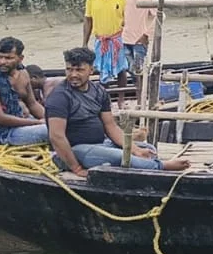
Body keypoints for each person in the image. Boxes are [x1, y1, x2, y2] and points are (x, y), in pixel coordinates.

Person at [45, 47, 190, 176]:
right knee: (120, 157)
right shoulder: (60, 97)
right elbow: (56, 137)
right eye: (69, 69)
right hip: (74, 151)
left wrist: (135, 149)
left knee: (147, 148)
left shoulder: (98, 91)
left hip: (99, 144)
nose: (73, 74)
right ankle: (162, 167)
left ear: (91, 69)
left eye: (79, 70)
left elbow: (111, 126)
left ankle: (146, 165)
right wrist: (76, 168)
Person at [0, 37, 47, 146]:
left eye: (8, 58)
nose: (2, 62)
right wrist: (37, 122)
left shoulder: (23, 74)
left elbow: (32, 104)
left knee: (64, 125)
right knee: (51, 131)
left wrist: (50, 118)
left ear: (20, 58)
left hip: (23, 122)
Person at [82, 0, 129, 85]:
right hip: (100, 40)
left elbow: (128, 21)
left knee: (121, 69)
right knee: (100, 68)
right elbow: (88, 21)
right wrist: (84, 43)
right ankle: (104, 97)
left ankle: (121, 99)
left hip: (118, 39)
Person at [119, 0, 155, 85]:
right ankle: (140, 95)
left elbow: (159, 16)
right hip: (126, 37)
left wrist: (146, 34)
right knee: (130, 70)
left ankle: (142, 98)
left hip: (139, 40)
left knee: (139, 71)